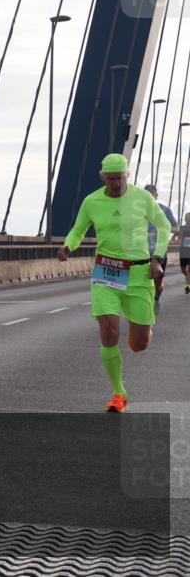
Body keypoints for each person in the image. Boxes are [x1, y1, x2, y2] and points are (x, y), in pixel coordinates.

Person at [57, 154, 172, 413]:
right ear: (102, 177)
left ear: (127, 175)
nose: (116, 184)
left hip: (139, 273)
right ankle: (119, 393)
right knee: (109, 331)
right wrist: (68, 246)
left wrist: (157, 257)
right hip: (106, 272)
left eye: (120, 178)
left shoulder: (142, 198)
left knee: (138, 344)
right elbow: (78, 230)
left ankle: (144, 323)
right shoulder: (92, 201)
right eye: (111, 179)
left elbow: (164, 227)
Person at [142, 184, 178, 313]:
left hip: (159, 252)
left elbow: (176, 228)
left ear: (156, 196)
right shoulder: (137, 210)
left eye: (151, 196)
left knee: (157, 283)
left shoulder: (165, 210)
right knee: (141, 283)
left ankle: (156, 298)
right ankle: (144, 306)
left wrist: (162, 229)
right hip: (141, 253)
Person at [180, 212, 190, 294]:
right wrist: (173, 239)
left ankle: (188, 287)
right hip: (183, 251)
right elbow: (175, 235)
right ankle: (188, 279)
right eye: (187, 218)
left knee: (189, 269)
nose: (188, 219)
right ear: (185, 219)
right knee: (183, 270)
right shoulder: (181, 228)